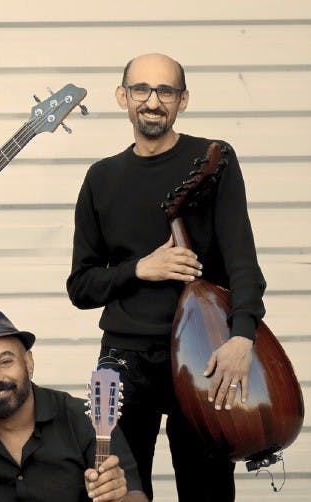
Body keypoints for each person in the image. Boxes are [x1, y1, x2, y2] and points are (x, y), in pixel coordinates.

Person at [66, 53, 266, 501]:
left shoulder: (214, 160)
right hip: (124, 358)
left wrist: (242, 337)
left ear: (183, 100)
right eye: (141, 90)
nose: (152, 101)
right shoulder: (101, 178)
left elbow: (243, 261)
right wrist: (141, 268)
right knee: (122, 490)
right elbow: (80, 286)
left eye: (165, 91)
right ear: (123, 97)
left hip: (203, 353)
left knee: (208, 488)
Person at [0, 305, 146, 502]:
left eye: (5, 362)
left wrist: (119, 494)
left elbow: (136, 496)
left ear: (28, 363)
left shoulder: (88, 420)